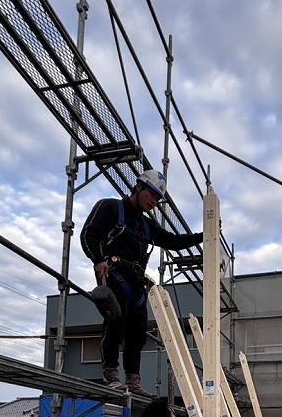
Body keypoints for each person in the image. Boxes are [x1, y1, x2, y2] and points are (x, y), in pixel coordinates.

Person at [80, 169, 203, 397]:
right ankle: (111, 375)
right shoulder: (110, 208)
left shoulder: (146, 225)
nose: (154, 202)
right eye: (152, 195)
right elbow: (88, 234)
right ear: (138, 187)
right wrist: (98, 260)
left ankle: (133, 380)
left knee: (137, 333)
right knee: (115, 323)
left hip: (137, 283)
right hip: (115, 274)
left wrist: (202, 236)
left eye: (158, 199)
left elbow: (171, 241)